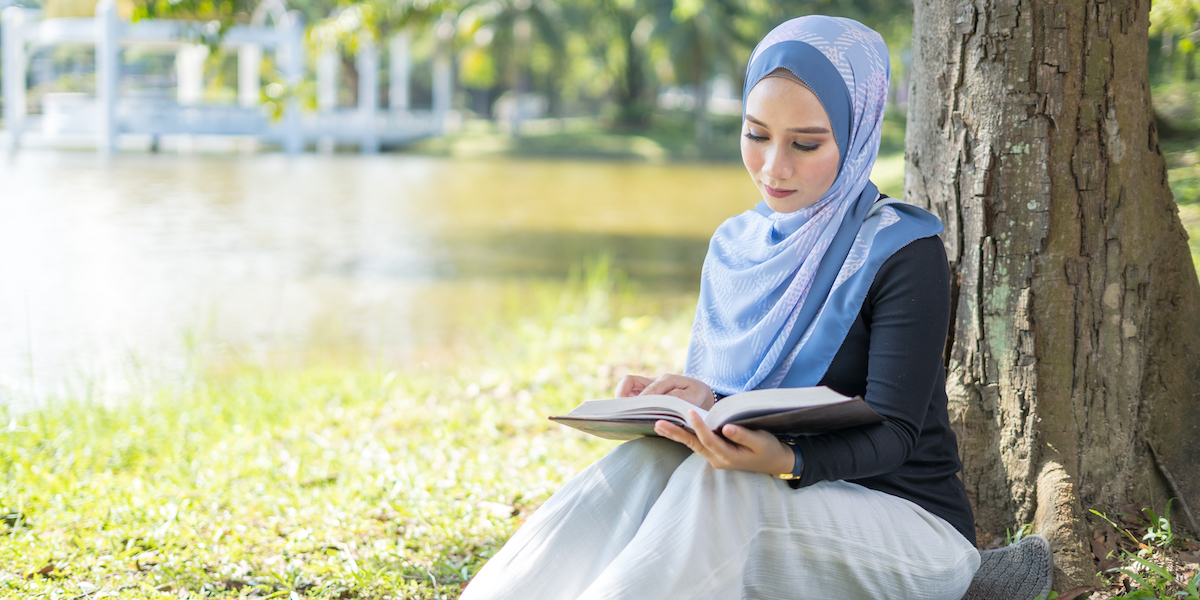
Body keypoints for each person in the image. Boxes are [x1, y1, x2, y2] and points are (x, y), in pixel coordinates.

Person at [460, 15, 980, 600]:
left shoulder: (903, 250)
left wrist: (784, 458)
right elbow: (752, 402)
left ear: (857, 133)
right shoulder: (737, 245)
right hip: (774, 503)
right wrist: (700, 401)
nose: (773, 167)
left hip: (912, 534)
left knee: (726, 487)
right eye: (756, 134)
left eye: (805, 144)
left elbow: (897, 432)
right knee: (649, 463)